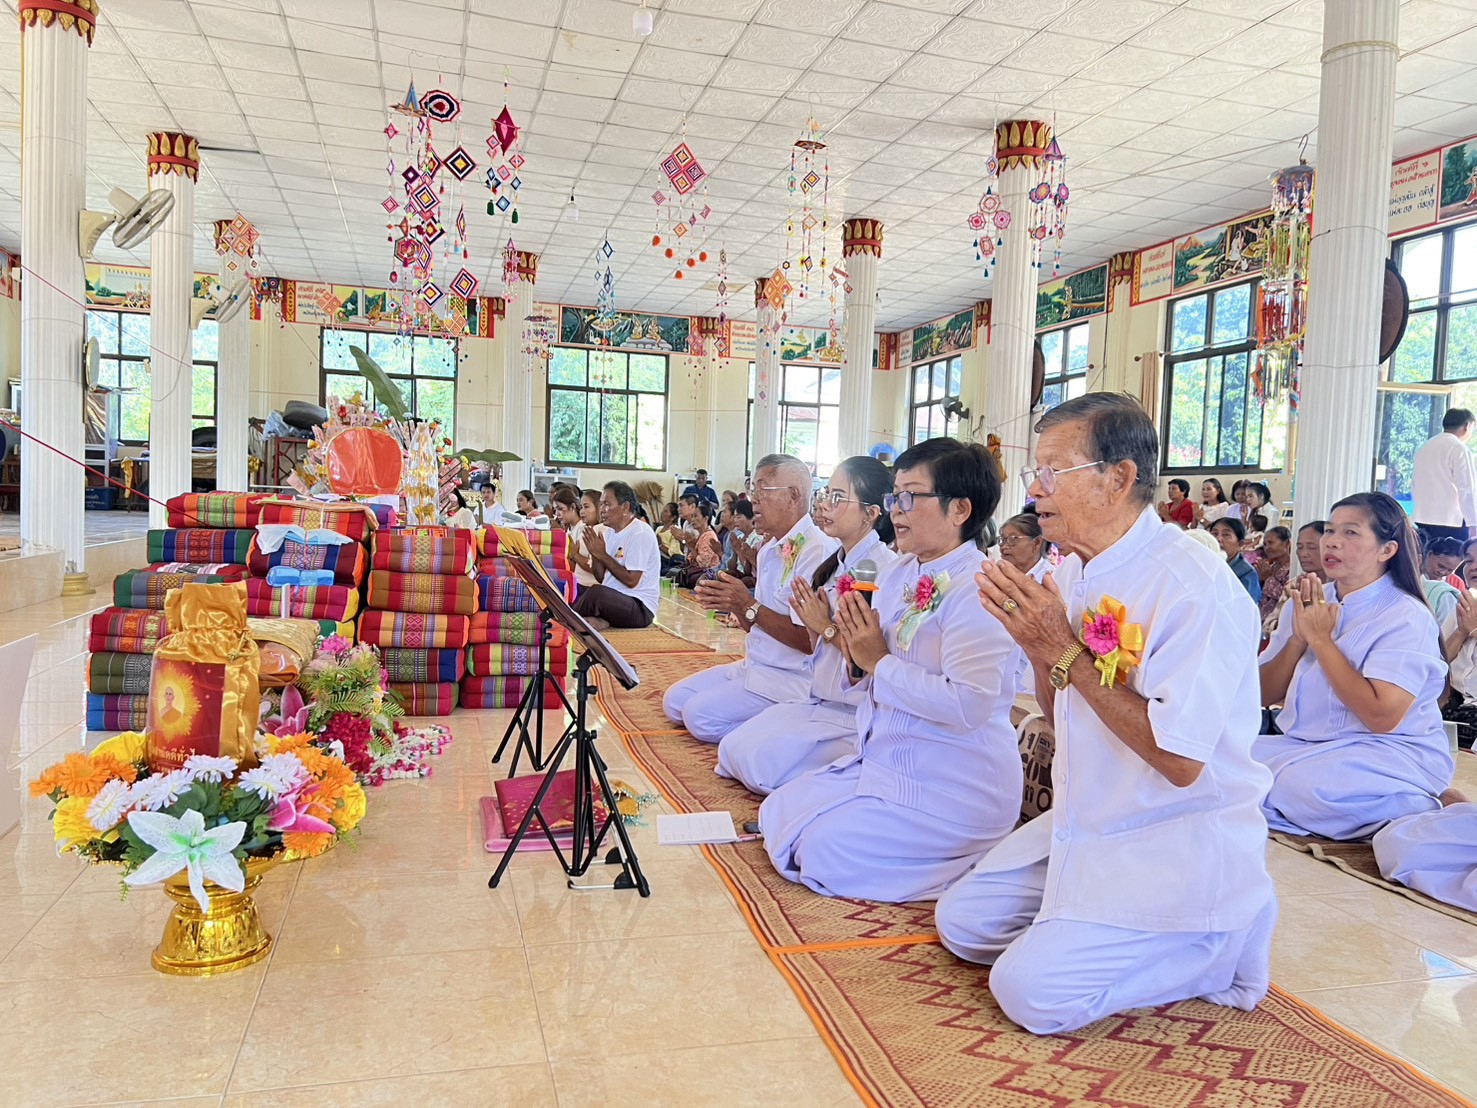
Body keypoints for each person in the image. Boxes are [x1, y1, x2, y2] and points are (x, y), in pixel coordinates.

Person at [938, 392, 1275, 1036]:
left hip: (1170, 832)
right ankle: (1089, 929)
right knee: (964, 924)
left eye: (1050, 473)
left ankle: (1221, 945)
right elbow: (1054, 701)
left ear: (1118, 478)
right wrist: (1033, 641)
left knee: (1031, 993)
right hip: (1091, 812)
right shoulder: (1076, 570)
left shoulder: (1190, 583)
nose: (1034, 492)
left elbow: (1179, 762)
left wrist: (1058, 645)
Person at [759, 438, 1023, 903]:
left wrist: (876, 660)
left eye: (909, 497)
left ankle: (973, 857)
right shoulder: (900, 573)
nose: (895, 511)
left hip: (952, 781)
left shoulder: (979, 589)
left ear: (960, 509)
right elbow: (866, 668)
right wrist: (855, 656)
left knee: (822, 852)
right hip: (888, 757)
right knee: (777, 810)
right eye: (893, 497)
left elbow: (969, 705)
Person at [1255, 492, 1452, 841]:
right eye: (1330, 531)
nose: (1332, 542)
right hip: (1306, 747)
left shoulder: (1405, 616)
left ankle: (1415, 802)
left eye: (1351, 533)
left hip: (1386, 755)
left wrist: (1321, 641)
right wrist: (1299, 639)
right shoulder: (1310, 601)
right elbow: (1263, 694)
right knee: (1219, 761)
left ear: (1386, 550)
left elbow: (1381, 717)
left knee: (1305, 788)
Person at [716, 457, 899, 795]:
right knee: (730, 751)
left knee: (757, 767)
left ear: (871, 513)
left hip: (852, 712)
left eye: (839, 498)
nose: (825, 505)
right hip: (818, 700)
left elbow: (863, 663)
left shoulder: (876, 568)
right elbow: (813, 644)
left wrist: (822, 626)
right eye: (827, 494)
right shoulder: (835, 565)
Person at [663, 454, 836, 742]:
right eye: (752, 489)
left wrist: (747, 604)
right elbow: (753, 625)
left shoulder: (817, 551)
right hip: (754, 664)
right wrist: (733, 604)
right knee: (675, 703)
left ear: (793, 496)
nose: (753, 499)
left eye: (762, 490)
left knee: (698, 717)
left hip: (790, 677)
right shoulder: (770, 549)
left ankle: (781, 730)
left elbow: (808, 642)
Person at [572, 481, 661, 630]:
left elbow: (632, 581)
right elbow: (601, 577)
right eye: (601, 504)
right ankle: (597, 621)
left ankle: (566, 620)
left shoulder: (640, 533)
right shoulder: (609, 532)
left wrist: (603, 555)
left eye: (607, 504)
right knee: (575, 588)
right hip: (616, 600)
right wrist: (596, 555)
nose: (602, 510)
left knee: (596, 593)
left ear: (625, 507)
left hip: (639, 607)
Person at [996, 512, 1051, 696]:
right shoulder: (1001, 578)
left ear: (1037, 543)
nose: (1004, 546)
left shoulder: (1051, 579)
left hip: (1035, 682)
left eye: (1013, 539)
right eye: (1002, 540)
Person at [1412, 408, 1477, 548]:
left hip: (1423, 517)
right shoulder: (1459, 449)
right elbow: (1466, 489)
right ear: (1467, 426)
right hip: (1451, 521)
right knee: (1452, 565)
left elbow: (1415, 483)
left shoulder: (1425, 447)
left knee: (1426, 561)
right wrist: (1473, 522)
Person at [1210, 517, 1261, 604]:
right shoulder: (1206, 564)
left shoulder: (1246, 573)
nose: (1218, 539)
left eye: (1226, 535)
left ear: (1240, 544)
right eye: (1214, 534)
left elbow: (1247, 608)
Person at [676, 499, 723, 589]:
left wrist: (692, 547)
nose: (692, 519)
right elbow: (690, 559)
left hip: (707, 572)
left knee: (689, 577)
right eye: (692, 516)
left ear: (705, 519)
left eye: (696, 516)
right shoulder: (701, 534)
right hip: (697, 570)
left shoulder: (709, 536)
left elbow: (703, 564)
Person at [1421, 535, 1465, 627]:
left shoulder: (1456, 583)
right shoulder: (1411, 574)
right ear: (1429, 554)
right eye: (1441, 566)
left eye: (1450, 570)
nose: (1443, 572)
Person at [567, 488, 603, 597]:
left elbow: (594, 567)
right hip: (578, 583)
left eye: (587, 507)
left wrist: (575, 555)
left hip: (589, 587)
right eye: (581, 507)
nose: (582, 511)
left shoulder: (601, 530)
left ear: (599, 508)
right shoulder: (584, 528)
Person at [1255, 526, 1292, 626]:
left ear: (1287, 543)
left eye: (1271, 543)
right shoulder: (1270, 567)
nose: (1267, 548)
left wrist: (1268, 579)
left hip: (1278, 624)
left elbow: (1288, 597)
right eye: (1265, 544)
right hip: (1261, 622)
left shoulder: (1292, 569)